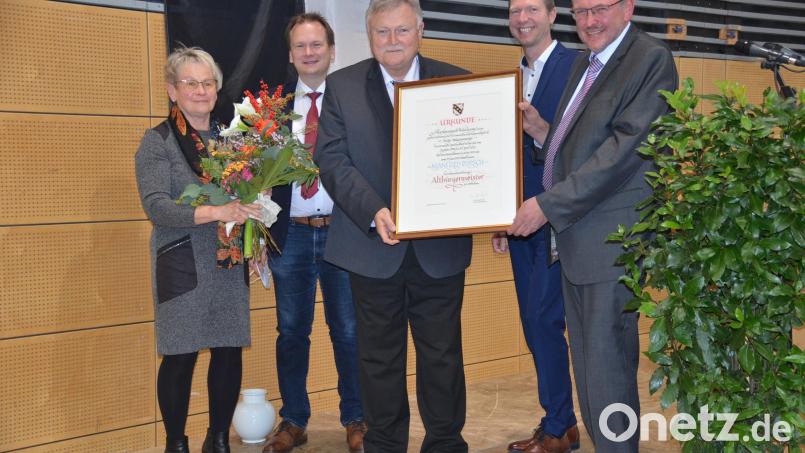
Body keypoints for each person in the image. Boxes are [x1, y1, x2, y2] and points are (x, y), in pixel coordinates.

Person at [507, 0, 678, 451]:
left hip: (611, 242)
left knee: (607, 372)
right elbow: (582, 145)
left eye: (601, 9)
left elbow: (623, 152)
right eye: (581, 12)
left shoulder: (649, 59)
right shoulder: (587, 61)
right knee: (588, 372)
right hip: (577, 242)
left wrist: (546, 205)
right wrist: (544, 133)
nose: (590, 21)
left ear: (628, 7)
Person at [314, 1, 472, 451]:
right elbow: (332, 159)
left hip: (439, 250)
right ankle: (385, 444)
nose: (393, 41)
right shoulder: (342, 86)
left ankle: (445, 442)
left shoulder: (459, 83)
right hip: (371, 246)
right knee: (378, 358)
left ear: (420, 30)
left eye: (402, 31)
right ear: (369, 35)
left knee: (442, 355)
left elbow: (476, 160)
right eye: (382, 32)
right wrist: (373, 209)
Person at [135, 47, 262, 453]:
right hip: (182, 261)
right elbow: (157, 207)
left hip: (227, 259)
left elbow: (253, 188)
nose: (200, 90)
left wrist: (258, 203)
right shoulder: (158, 141)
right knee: (180, 355)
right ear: (172, 90)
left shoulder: (234, 138)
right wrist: (215, 211)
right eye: (190, 83)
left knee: (228, 349)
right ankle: (176, 443)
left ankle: (219, 439)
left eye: (208, 82)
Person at [262, 13, 365, 453]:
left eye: (316, 45)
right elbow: (255, 172)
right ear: (290, 54)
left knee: (348, 329)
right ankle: (293, 420)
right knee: (291, 331)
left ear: (332, 50)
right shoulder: (271, 110)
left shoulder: (353, 102)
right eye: (300, 46)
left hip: (344, 231)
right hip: (293, 236)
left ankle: (357, 419)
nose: (309, 53)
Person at [492, 1, 580, 452]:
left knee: (545, 320)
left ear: (552, 16)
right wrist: (495, 214)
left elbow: (586, 151)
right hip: (518, 222)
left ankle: (557, 424)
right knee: (533, 322)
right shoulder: (511, 75)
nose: (522, 18)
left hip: (559, 219)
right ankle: (561, 422)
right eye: (514, 10)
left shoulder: (576, 67)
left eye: (532, 8)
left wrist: (543, 131)